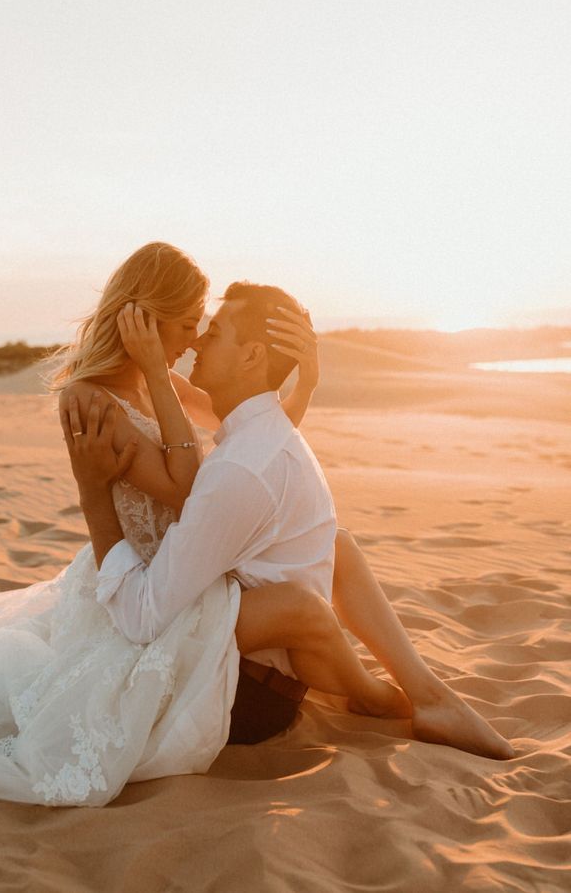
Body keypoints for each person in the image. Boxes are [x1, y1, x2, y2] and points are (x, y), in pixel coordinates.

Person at [59, 246, 514, 761]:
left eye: (206, 328)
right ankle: (384, 696)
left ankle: (421, 695)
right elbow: (208, 480)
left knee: (334, 546)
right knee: (302, 607)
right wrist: (92, 489)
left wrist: (305, 379)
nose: (195, 340)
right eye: (190, 324)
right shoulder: (102, 398)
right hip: (152, 589)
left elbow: (255, 430)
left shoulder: (172, 392)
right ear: (145, 317)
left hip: (188, 567)